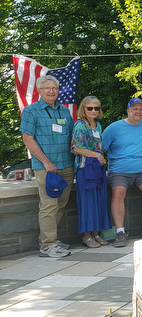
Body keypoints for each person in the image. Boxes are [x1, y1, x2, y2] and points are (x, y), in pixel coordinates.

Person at [21, 75, 74, 257]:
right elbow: (27, 138)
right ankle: (47, 245)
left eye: (54, 88)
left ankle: (48, 239)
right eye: (47, 88)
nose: (51, 91)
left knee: (60, 204)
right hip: (46, 167)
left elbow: (71, 138)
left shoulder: (64, 111)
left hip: (66, 164)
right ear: (40, 91)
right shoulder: (31, 111)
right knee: (49, 205)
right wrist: (46, 162)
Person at [103, 97, 142, 246]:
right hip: (120, 171)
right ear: (128, 111)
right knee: (118, 192)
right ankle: (120, 232)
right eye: (135, 109)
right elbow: (101, 147)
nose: (138, 112)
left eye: (141, 109)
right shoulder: (114, 128)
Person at [71, 96, 110, 248]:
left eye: (96, 108)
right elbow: (76, 148)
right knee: (87, 202)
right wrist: (97, 155)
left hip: (96, 168)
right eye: (90, 108)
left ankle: (96, 234)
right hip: (84, 168)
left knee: (98, 201)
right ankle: (86, 236)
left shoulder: (97, 125)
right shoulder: (80, 125)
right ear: (83, 109)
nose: (93, 111)